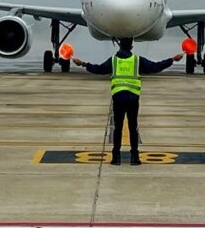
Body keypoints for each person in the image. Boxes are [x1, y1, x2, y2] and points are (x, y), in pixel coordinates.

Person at [74, 37, 183, 165]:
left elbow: (99, 69)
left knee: (118, 128)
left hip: (118, 98)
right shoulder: (137, 60)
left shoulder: (113, 60)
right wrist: (172, 60)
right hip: (132, 99)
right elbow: (155, 67)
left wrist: (83, 64)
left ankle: (116, 158)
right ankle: (134, 158)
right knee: (133, 128)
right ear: (131, 47)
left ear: (120, 46)